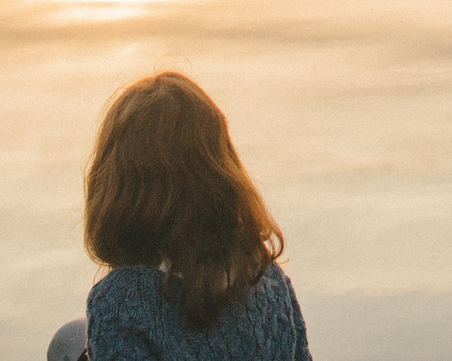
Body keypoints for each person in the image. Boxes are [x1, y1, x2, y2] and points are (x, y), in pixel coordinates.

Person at [63, 70, 315, 361]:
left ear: (118, 186)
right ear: (220, 171)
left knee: (66, 343)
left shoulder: (121, 303)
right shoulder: (266, 276)